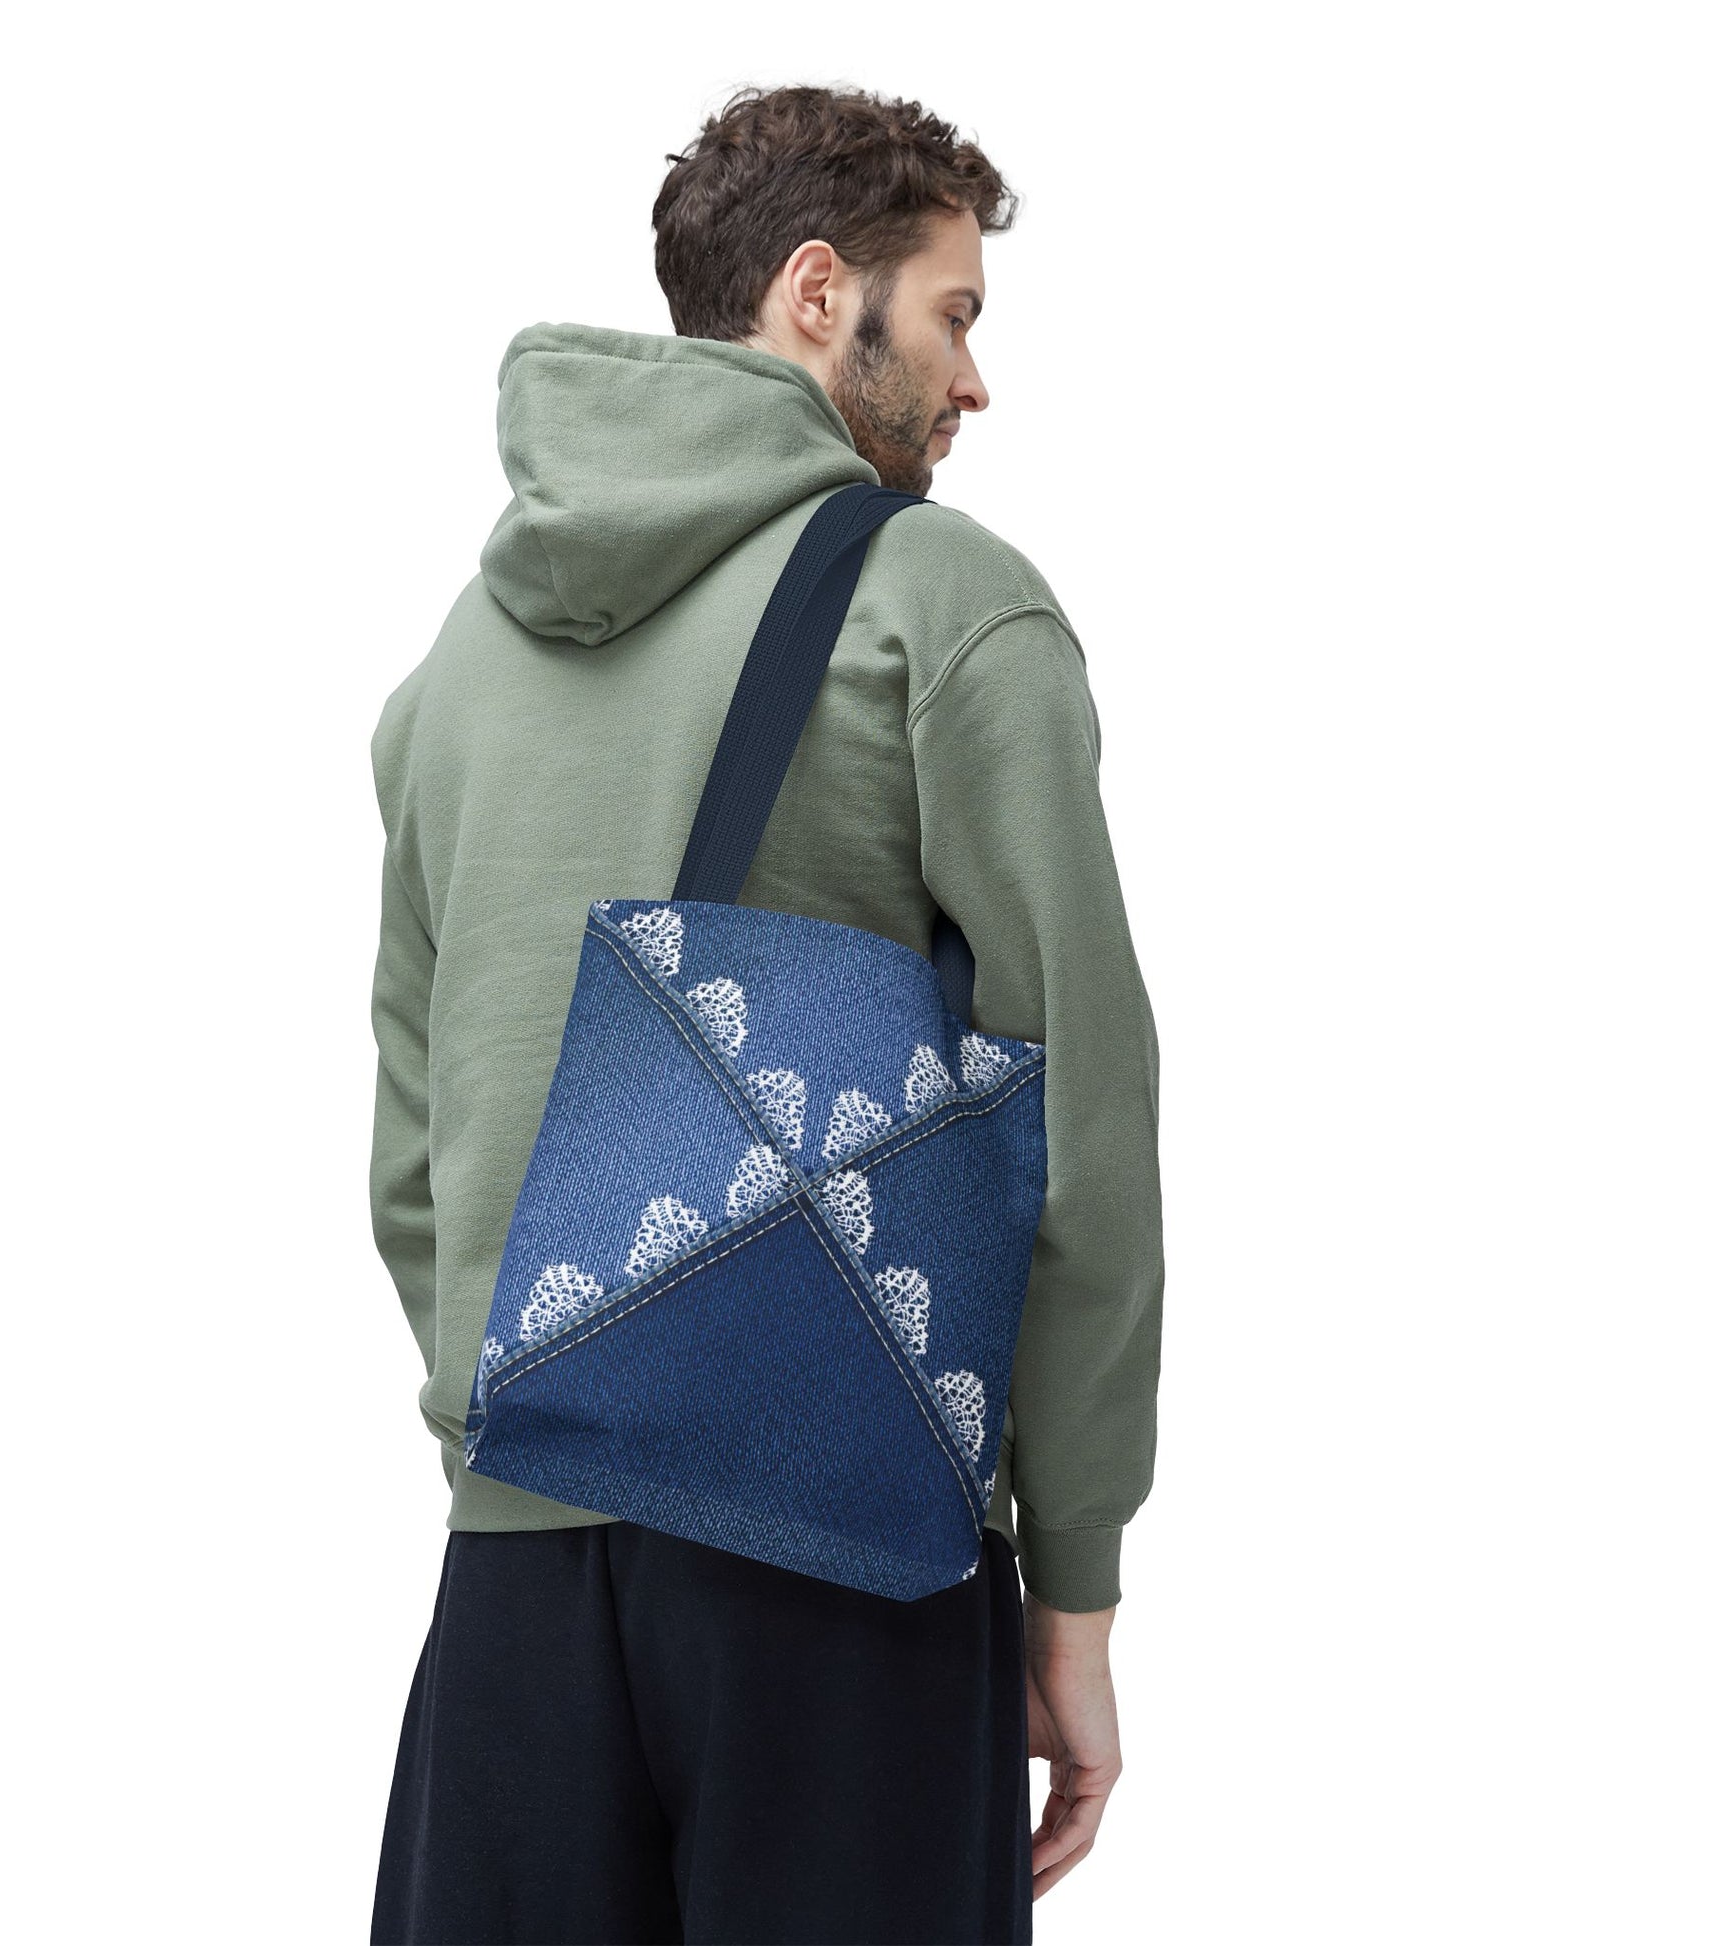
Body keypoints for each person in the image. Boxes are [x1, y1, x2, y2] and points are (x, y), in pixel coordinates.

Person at [365, 82, 1164, 1945]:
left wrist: (531, 1433)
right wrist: (1076, 1583)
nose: (974, 384)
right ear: (818, 292)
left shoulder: (454, 668)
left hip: (514, 1572)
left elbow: (413, 1150)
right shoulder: (940, 605)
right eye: (952, 314)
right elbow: (1081, 1130)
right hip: (840, 1552)